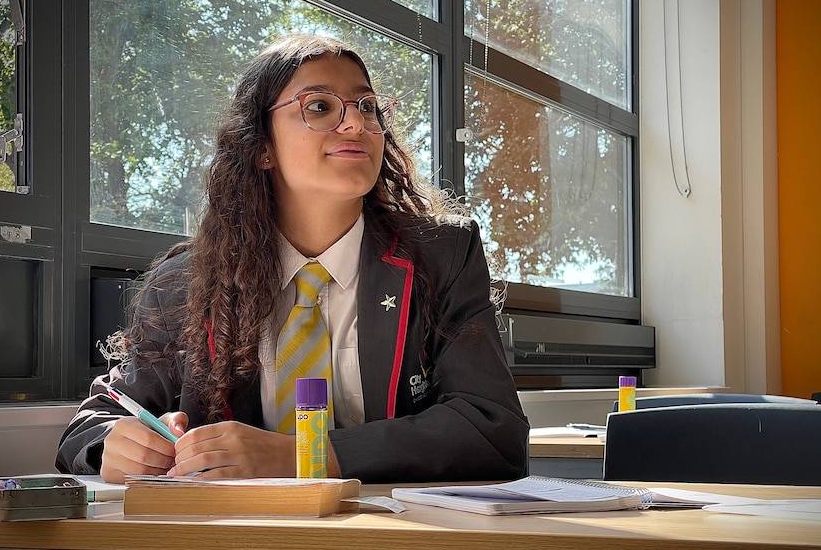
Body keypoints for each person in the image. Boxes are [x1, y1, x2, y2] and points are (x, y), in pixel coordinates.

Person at [56, 34, 529, 484]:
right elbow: (91, 426)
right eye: (320, 107)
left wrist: (302, 456)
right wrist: (115, 444)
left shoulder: (443, 253)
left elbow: (493, 429)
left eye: (368, 107)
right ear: (262, 146)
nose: (357, 124)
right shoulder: (183, 284)